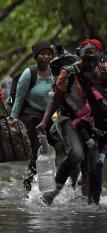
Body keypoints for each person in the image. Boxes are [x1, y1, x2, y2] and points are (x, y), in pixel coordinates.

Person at [36, 39, 106, 205]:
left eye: (93, 60)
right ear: (80, 57)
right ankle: (50, 195)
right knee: (76, 154)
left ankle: (93, 207)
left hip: (92, 123)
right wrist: (44, 122)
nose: (90, 63)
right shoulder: (69, 73)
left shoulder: (102, 72)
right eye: (86, 59)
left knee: (95, 164)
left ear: (98, 58)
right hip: (68, 119)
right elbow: (56, 101)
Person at [10, 40, 55, 191]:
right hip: (31, 116)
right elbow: (19, 98)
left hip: (49, 117)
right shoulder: (29, 73)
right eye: (42, 54)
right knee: (38, 150)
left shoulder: (55, 72)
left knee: (47, 151)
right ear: (36, 56)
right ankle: (30, 183)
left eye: (49, 54)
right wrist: (13, 121)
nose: (46, 57)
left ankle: (32, 182)